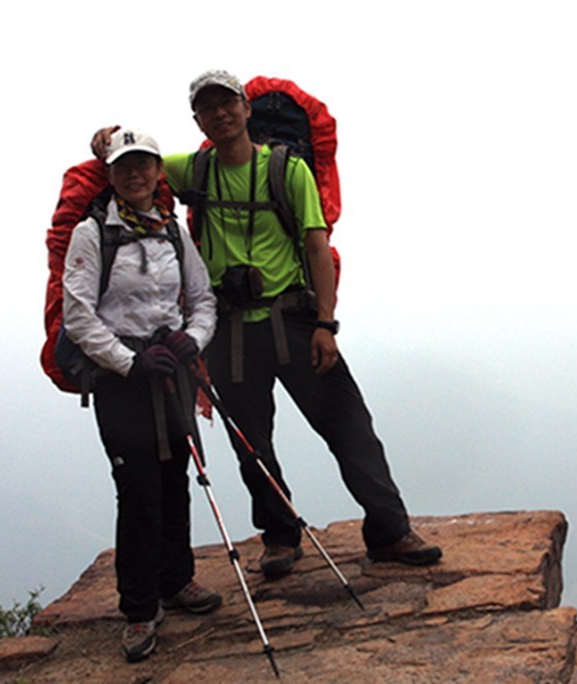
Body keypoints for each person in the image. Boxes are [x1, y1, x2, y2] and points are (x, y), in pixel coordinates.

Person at [91, 70, 442, 580]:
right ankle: (279, 537)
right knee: (251, 442)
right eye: (208, 108)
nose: (220, 114)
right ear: (198, 120)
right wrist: (105, 139)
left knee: (349, 427)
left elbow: (316, 244)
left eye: (227, 103)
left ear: (246, 108)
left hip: (294, 320)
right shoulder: (192, 169)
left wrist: (327, 322)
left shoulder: (286, 169)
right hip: (229, 330)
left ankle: (389, 530)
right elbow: (131, 168)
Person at [62, 129, 221, 662]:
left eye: (145, 165)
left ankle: (177, 582)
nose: (136, 175)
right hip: (121, 380)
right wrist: (130, 362)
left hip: (171, 370)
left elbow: (202, 299)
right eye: (124, 167)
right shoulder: (93, 234)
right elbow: (78, 316)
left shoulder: (172, 231)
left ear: (158, 171)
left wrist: (190, 340)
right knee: (137, 487)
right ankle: (138, 608)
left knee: (177, 474)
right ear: (110, 175)